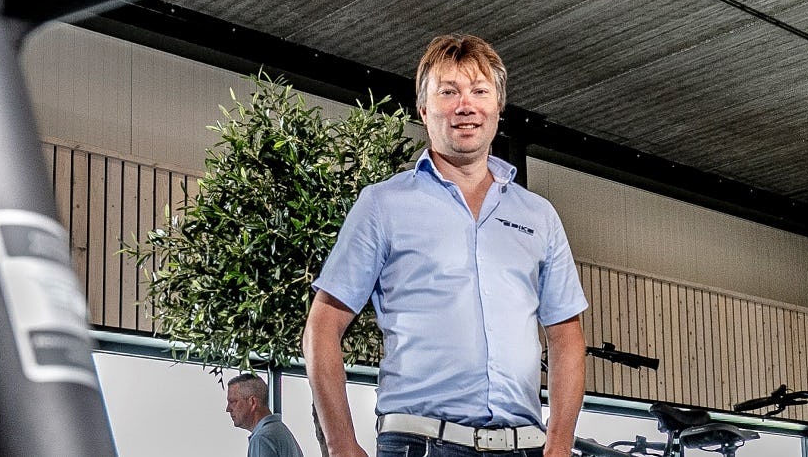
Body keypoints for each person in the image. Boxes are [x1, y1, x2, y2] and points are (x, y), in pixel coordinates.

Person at [303, 33, 588, 457]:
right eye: (448, 92)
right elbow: (322, 326)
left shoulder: (539, 216)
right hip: (419, 444)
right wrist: (341, 444)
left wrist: (559, 445)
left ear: (498, 107)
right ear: (423, 109)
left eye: (480, 91)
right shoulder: (383, 205)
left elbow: (566, 337)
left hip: (525, 446)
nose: (465, 105)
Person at [226, 373, 304, 457]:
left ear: (252, 402)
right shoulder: (282, 431)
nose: (228, 409)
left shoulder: (262, 438)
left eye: (233, 402)